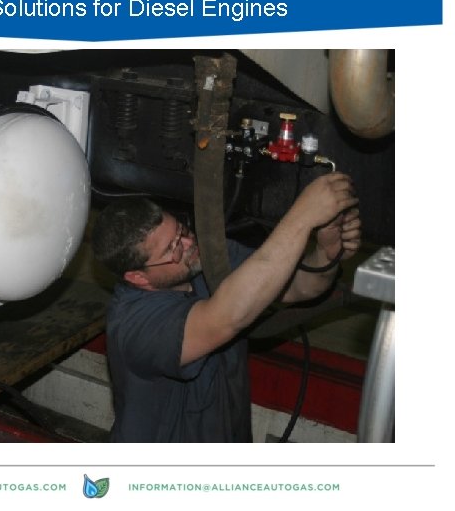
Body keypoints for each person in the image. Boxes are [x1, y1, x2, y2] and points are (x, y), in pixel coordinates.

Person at [91, 172, 361, 442]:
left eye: (181, 230)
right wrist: (302, 217)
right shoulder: (135, 325)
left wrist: (326, 253)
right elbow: (225, 318)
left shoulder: (208, 261)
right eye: (173, 249)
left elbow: (301, 287)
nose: (189, 244)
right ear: (138, 277)